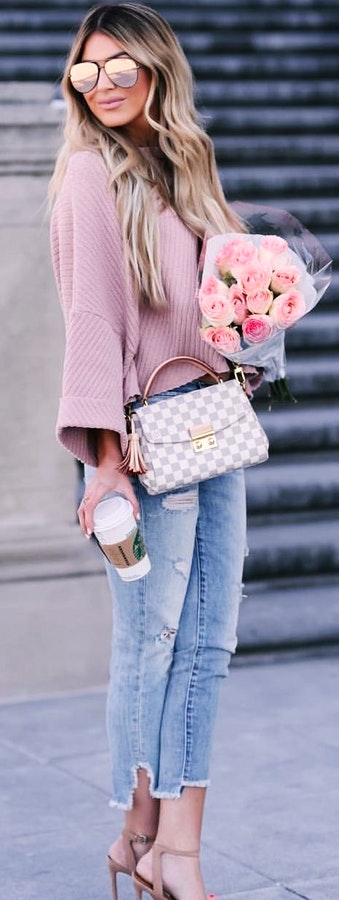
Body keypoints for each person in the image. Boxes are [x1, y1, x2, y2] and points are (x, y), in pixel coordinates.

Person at [50, 4, 257, 898]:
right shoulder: (89, 178)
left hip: (210, 424)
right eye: (85, 72)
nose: (99, 86)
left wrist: (251, 327)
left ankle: (177, 851)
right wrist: (101, 464)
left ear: (157, 71)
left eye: (117, 68)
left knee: (210, 641)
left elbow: (209, 307)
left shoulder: (185, 167)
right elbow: (92, 324)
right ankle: (140, 836)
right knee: (155, 640)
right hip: (139, 440)